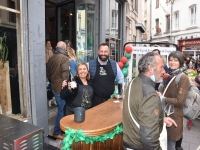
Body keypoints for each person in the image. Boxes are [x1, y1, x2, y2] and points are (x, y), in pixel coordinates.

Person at [123, 52, 177, 150]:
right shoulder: (149, 94)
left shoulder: (134, 82)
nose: (164, 71)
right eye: (161, 67)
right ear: (151, 68)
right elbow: (149, 138)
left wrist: (161, 119)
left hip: (130, 143)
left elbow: (139, 112)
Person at [158, 51, 190, 150]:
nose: (172, 62)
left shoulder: (183, 78)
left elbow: (180, 101)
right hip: (165, 116)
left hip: (174, 118)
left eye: (175, 60)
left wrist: (163, 98)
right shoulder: (169, 75)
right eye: (170, 60)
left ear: (180, 62)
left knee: (170, 146)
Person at [46, 41, 70, 140]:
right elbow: (65, 73)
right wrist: (66, 84)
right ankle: (56, 131)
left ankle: (61, 129)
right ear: (64, 48)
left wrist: (53, 81)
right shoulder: (64, 58)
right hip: (62, 88)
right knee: (62, 109)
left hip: (54, 86)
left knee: (61, 108)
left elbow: (48, 74)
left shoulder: (51, 58)